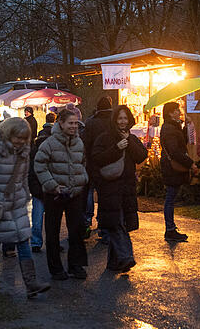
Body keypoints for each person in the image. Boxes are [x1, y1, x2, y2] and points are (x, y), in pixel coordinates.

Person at [0, 117, 50, 299]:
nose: (21, 141)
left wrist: (25, 195)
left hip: (16, 205)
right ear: (8, 133)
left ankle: (31, 284)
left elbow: (23, 177)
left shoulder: (23, 152)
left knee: (23, 241)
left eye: (24, 138)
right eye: (18, 137)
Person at [90, 105, 148, 273]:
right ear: (114, 120)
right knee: (116, 223)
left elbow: (141, 156)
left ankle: (113, 263)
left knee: (121, 222)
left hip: (127, 187)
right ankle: (125, 256)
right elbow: (97, 158)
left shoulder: (132, 138)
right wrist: (116, 149)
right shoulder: (105, 137)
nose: (123, 122)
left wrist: (128, 143)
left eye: (125, 119)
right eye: (120, 118)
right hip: (110, 187)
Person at [35, 105, 89, 280]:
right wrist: (52, 185)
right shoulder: (49, 143)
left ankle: (75, 265)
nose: (74, 126)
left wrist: (82, 180)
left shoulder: (79, 142)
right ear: (61, 123)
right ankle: (56, 268)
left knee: (76, 230)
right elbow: (39, 165)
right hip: (54, 194)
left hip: (74, 193)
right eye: (70, 123)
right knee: (53, 231)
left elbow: (82, 163)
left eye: (76, 123)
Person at [81, 96, 114, 239]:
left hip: (92, 163)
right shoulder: (113, 123)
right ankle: (103, 228)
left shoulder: (90, 122)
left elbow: (84, 143)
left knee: (89, 192)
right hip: (108, 164)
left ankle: (86, 223)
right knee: (105, 196)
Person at [160, 102, 193, 243]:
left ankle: (171, 228)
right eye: (175, 110)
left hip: (170, 166)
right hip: (171, 167)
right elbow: (175, 151)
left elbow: (181, 143)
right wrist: (190, 163)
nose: (178, 112)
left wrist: (186, 127)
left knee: (171, 197)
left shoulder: (173, 127)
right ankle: (170, 228)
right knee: (170, 197)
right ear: (169, 113)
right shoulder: (169, 129)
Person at [28, 113, 55, 252]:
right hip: (45, 189)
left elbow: (31, 172)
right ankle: (42, 242)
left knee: (38, 218)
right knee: (48, 220)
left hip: (42, 189)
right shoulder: (52, 150)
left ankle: (37, 242)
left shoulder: (35, 149)